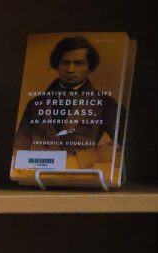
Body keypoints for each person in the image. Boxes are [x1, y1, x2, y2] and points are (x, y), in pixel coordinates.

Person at [12, 35, 121, 172]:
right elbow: (18, 150)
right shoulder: (36, 104)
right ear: (56, 65)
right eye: (65, 63)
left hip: (82, 176)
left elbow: (123, 150)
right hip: (39, 175)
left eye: (79, 63)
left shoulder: (106, 104)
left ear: (90, 67)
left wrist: (83, 159)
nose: (70, 69)